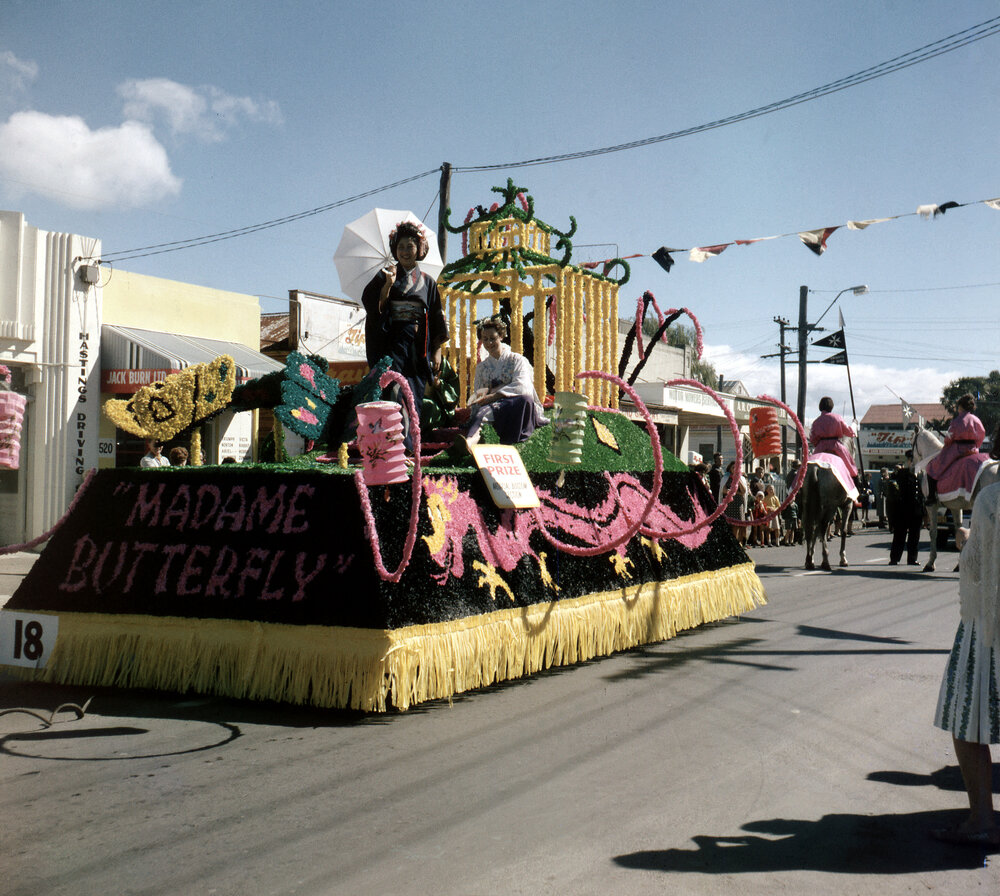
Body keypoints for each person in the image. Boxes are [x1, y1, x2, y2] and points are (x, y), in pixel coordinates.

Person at [931, 479, 1000, 847]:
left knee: (967, 723)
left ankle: (982, 820)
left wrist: (968, 540)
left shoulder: (991, 498)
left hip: (990, 631)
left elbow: (974, 568)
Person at [361, 220, 449, 450]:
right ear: (394, 249)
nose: (405, 252)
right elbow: (374, 308)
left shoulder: (428, 282)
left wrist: (437, 350)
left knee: (414, 395)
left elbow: (437, 316)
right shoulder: (385, 275)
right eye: (401, 247)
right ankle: (393, 446)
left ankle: (412, 448)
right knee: (394, 391)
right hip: (392, 343)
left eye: (410, 247)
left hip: (418, 347)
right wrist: (387, 287)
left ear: (419, 249)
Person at [463, 316, 547, 446]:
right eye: (485, 339)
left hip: (516, 405)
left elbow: (523, 386)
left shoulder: (517, 360)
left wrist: (494, 394)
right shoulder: (482, 368)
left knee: (525, 399)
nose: (489, 343)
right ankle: (469, 442)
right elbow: (480, 392)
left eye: (493, 338)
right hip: (495, 406)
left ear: (501, 336)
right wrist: (481, 399)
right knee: (482, 413)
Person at [925, 393, 989, 503]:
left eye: (958, 407)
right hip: (973, 449)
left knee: (932, 466)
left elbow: (948, 439)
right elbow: (982, 434)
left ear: (960, 407)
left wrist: (949, 441)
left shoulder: (957, 421)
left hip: (957, 450)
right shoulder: (976, 419)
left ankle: (931, 497)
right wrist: (975, 446)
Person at [809, 396, 858, 480]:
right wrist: (854, 424)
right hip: (835, 446)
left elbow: (813, 439)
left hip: (820, 447)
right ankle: (855, 483)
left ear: (820, 407)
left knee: (809, 465)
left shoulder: (816, 422)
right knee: (851, 468)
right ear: (831, 407)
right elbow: (849, 432)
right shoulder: (837, 418)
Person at [888, 451, 923, 566]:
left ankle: (912, 559)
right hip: (903, 509)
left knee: (915, 535)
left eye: (915, 461)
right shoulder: (901, 473)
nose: (913, 463)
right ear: (908, 461)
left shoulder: (921, 474)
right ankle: (894, 558)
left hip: (916, 510)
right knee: (899, 534)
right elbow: (893, 486)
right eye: (911, 460)